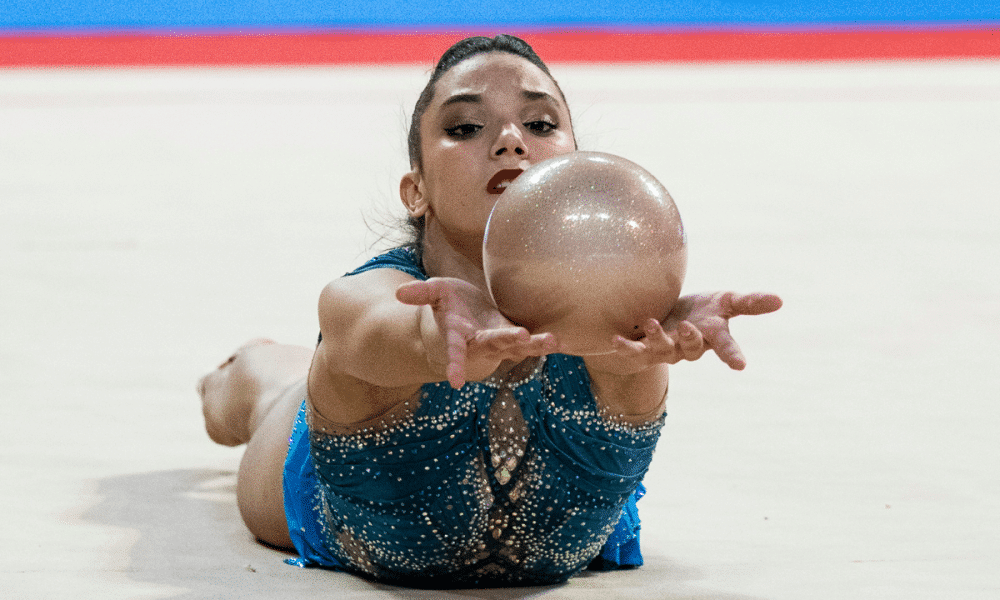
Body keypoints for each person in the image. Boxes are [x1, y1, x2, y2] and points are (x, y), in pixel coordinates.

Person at [198, 34, 782, 589]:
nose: (510, 141)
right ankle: (247, 373)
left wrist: (652, 323)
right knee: (269, 388)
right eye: (466, 127)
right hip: (332, 511)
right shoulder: (365, 300)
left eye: (540, 123)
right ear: (415, 191)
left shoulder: (626, 317)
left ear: (578, 160)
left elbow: (628, 370)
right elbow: (376, 332)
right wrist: (436, 338)